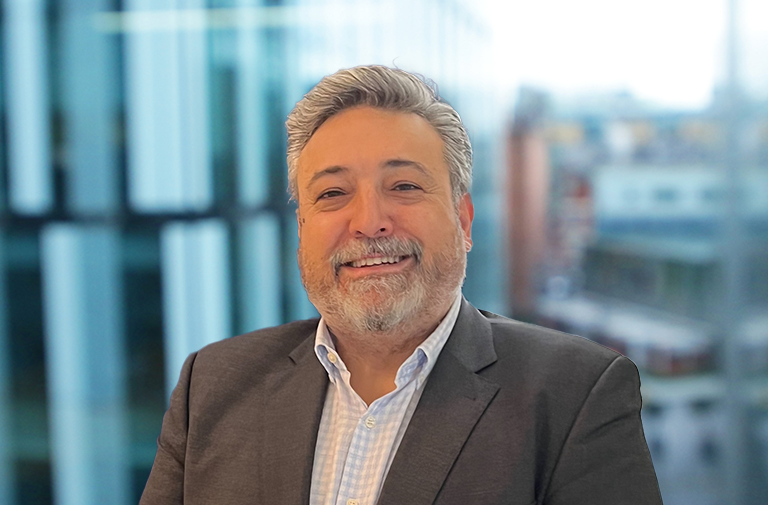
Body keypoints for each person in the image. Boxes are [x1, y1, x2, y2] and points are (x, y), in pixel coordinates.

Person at [140, 65, 662, 505]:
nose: (370, 222)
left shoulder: (576, 394)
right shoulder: (212, 384)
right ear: (302, 229)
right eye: (332, 193)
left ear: (463, 220)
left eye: (404, 185)